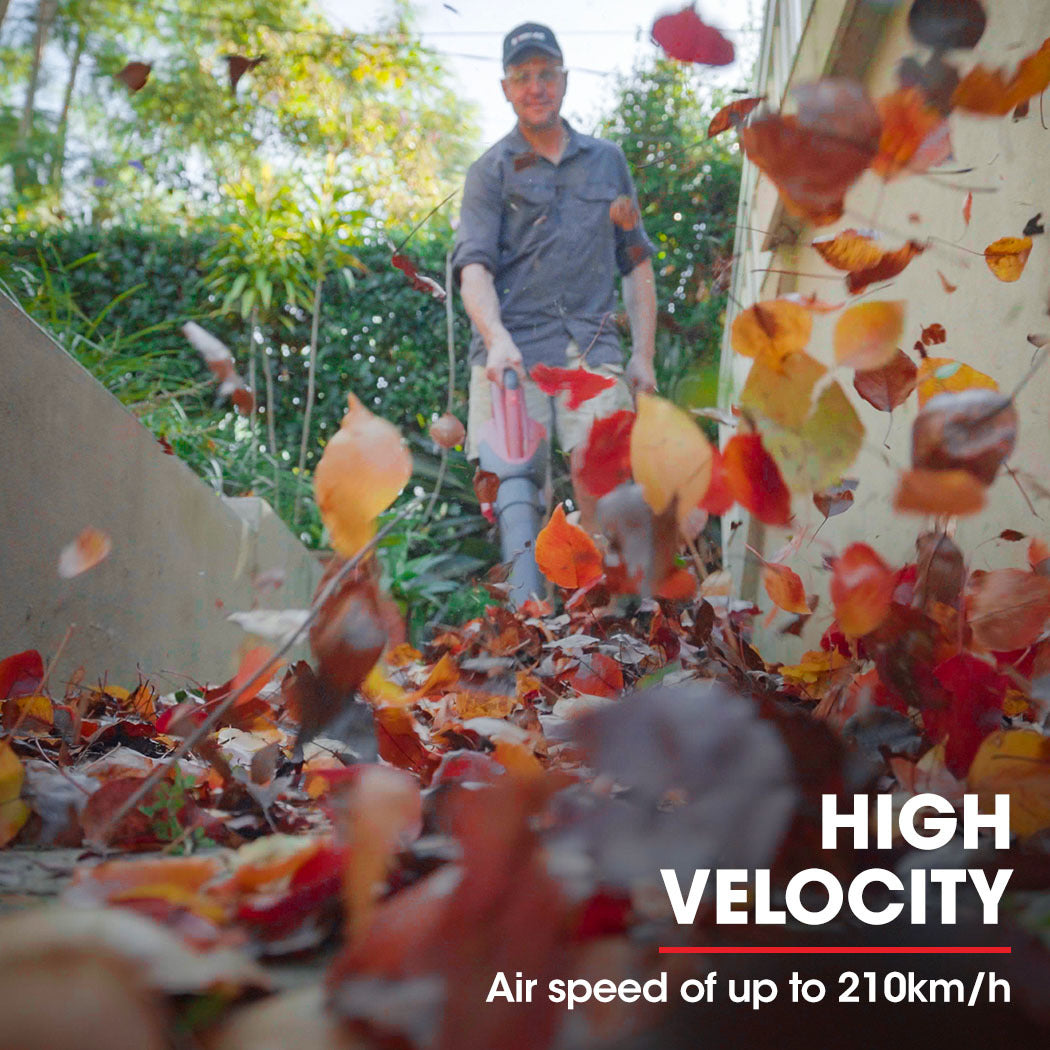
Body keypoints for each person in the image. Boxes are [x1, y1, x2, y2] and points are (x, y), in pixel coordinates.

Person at [451, 21, 657, 521]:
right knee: (515, 497)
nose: (535, 87)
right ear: (505, 89)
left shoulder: (607, 161)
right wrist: (496, 339)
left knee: (607, 486)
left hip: (591, 347)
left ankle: (606, 575)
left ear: (564, 80)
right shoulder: (490, 171)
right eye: (522, 77)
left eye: (546, 73)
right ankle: (530, 578)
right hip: (512, 353)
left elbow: (636, 261)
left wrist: (643, 356)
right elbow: (473, 268)